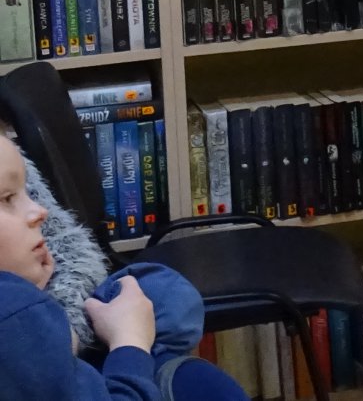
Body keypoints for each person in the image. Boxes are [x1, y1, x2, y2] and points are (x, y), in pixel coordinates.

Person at [0, 134, 245, 401]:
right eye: (7, 198)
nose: (40, 211)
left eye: (27, 192)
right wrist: (130, 341)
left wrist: (31, 290)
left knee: (163, 292)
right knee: (169, 305)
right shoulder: (13, 315)